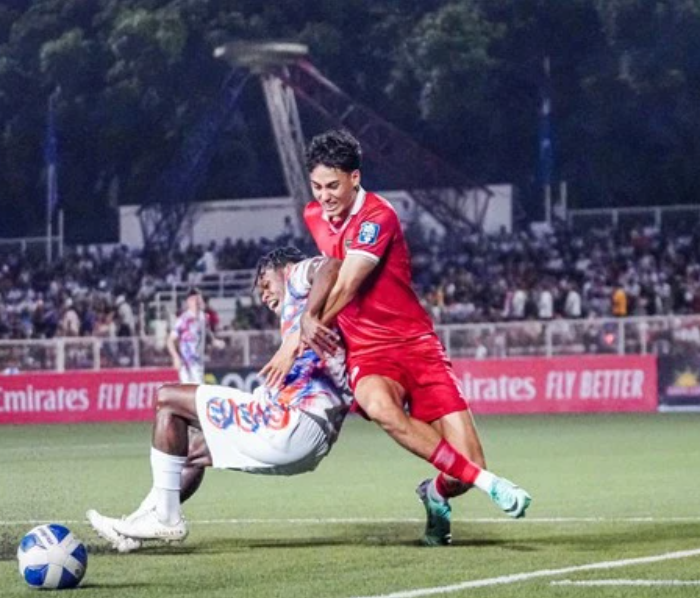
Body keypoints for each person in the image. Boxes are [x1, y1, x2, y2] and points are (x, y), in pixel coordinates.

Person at [297, 129, 530, 546]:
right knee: (378, 405)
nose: (324, 195)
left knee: (465, 467)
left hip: (418, 346)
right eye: (316, 186)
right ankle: (482, 483)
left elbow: (349, 284)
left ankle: (435, 492)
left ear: (355, 177)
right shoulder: (313, 215)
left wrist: (312, 327)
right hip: (368, 353)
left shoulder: (378, 216)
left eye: (333, 185)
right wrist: (307, 320)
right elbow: (329, 272)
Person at [87, 247, 350, 551]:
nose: (264, 295)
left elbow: (331, 265)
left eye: (265, 283)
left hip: (291, 422)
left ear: (284, 267)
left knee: (167, 398)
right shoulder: (312, 311)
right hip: (310, 439)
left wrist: (308, 316)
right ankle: (133, 530)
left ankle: (167, 519)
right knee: (189, 452)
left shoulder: (296, 276)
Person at [166, 287, 224, 384]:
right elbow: (170, 340)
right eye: (193, 299)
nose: (196, 302)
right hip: (186, 363)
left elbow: (207, 335)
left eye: (198, 299)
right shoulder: (184, 319)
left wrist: (215, 342)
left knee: (198, 389)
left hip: (199, 362)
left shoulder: (204, 318)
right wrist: (175, 357)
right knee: (190, 391)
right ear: (188, 302)